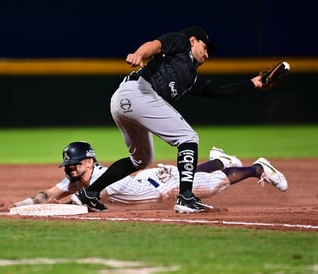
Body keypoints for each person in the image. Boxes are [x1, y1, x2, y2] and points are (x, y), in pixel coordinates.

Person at [76, 26, 283, 213]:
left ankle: (90, 193)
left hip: (122, 101)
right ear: (193, 40)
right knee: (188, 137)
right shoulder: (181, 42)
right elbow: (154, 45)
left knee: (141, 159)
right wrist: (139, 54)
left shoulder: (190, 77)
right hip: (138, 92)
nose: (207, 53)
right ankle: (186, 198)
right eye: (205, 47)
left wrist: (254, 83)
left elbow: (219, 92)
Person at [14, 142, 288, 213]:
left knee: (217, 184)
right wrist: (22, 206)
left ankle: (258, 169)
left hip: (165, 184)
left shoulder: (100, 176)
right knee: (194, 173)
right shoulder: (77, 181)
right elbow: (49, 195)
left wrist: (61, 205)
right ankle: (220, 159)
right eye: (67, 165)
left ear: (88, 161)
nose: (70, 168)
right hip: (152, 181)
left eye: (74, 164)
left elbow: (75, 204)